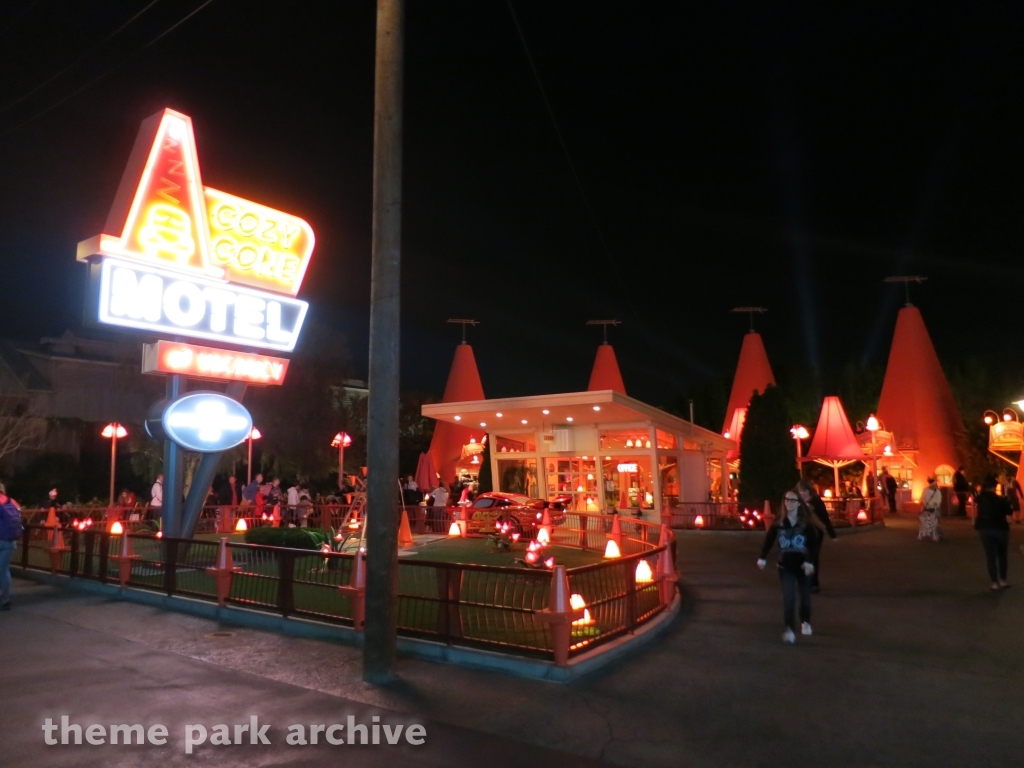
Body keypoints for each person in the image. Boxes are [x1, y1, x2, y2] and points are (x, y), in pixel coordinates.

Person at [758, 490, 818, 643]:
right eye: (786, 500)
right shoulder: (778, 523)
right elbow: (769, 540)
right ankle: (789, 629)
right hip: (785, 566)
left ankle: (805, 621)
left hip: (803, 566)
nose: (788, 503)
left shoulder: (806, 524)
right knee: (789, 598)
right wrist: (762, 557)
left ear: (798, 503)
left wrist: (810, 561)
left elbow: (814, 545)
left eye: (792, 500)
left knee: (805, 597)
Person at [795, 480, 836, 593]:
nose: (802, 493)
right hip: (801, 532)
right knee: (801, 556)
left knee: (813, 556)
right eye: (800, 491)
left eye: (804, 490)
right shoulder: (797, 502)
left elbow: (824, 517)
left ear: (809, 490)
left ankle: (813, 582)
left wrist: (831, 532)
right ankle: (803, 580)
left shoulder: (816, 502)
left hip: (815, 532)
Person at [974, 475, 1011, 590]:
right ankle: (1003, 580)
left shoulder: (980, 499)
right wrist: (1007, 501)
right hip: (1000, 529)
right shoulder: (1000, 500)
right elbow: (1009, 511)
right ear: (994, 487)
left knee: (990, 556)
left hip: (985, 529)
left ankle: (994, 582)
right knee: (1002, 556)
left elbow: (976, 497)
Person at [0, 483, 22, 611]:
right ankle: (6, 598)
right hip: (10, 541)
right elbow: (18, 518)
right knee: (4, 569)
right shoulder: (11, 501)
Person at [919, 476, 942, 542]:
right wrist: (922, 503)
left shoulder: (937, 491)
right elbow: (922, 497)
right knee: (925, 521)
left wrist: (936, 503)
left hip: (935, 507)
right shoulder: (926, 490)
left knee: (935, 521)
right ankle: (924, 533)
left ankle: (934, 534)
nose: (935, 486)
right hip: (927, 507)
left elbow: (939, 499)